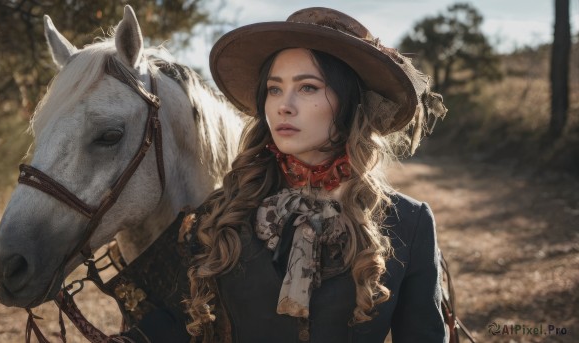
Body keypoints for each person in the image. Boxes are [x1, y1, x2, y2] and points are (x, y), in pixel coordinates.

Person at [118, 6, 448, 343]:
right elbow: (179, 322)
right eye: (274, 89)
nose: (283, 105)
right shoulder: (220, 211)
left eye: (307, 88)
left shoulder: (409, 221)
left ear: (351, 102)